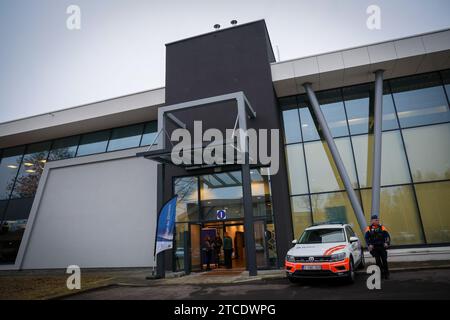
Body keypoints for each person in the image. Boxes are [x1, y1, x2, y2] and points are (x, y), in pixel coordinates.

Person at [365, 215, 391, 279]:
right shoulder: (368, 228)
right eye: (376, 220)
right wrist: (369, 244)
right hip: (374, 248)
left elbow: (387, 236)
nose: (377, 221)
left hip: (382, 247)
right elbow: (366, 238)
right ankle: (381, 274)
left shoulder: (382, 227)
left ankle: (386, 273)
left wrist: (387, 243)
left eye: (378, 220)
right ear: (372, 221)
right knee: (378, 261)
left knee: (384, 260)